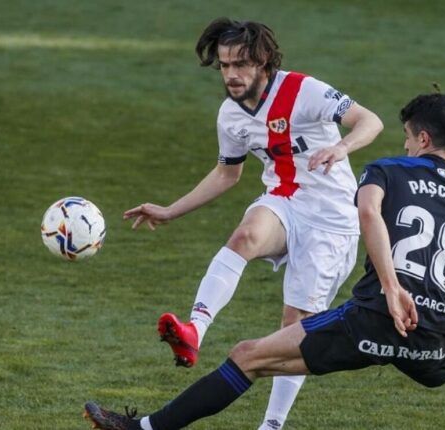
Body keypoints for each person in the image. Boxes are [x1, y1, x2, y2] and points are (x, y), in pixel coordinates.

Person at [86, 93, 445, 430]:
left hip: (371, 319)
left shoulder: (388, 170)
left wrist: (390, 286)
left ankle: (143, 429)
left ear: (422, 138)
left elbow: (366, 212)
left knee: (248, 356)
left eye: (407, 138)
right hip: (433, 333)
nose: (404, 146)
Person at [122, 18, 383, 430]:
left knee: (293, 329)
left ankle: (272, 425)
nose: (231, 75)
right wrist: (171, 210)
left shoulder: (304, 90)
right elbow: (228, 174)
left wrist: (341, 146)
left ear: (263, 61)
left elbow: (371, 121)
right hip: (284, 201)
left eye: (240, 65)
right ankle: (195, 331)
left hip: (332, 222)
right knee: (244, 236)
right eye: (224, 66)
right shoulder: (230, 115)